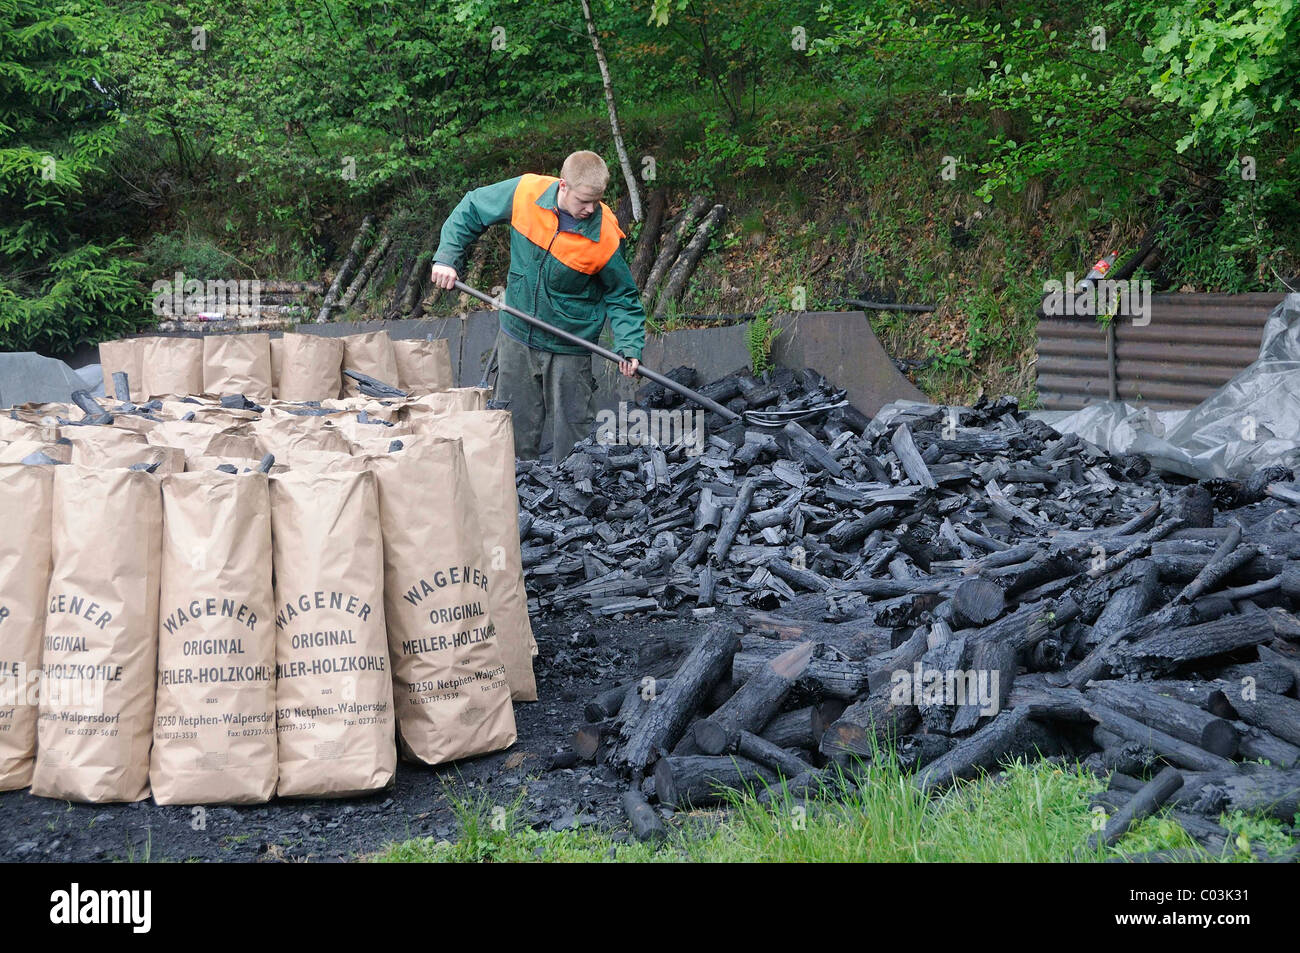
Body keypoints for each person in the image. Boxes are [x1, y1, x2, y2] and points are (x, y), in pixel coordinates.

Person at [430, 151, 645, 460]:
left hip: (570, 344)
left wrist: (628, 346)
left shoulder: (605, 236)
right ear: (563, 186)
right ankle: (511, 498)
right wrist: (447, 258)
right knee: (512, 433)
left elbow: (623, 296)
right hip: (517, 335)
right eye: (583, 200)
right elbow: (473, 207)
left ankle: (576, 501)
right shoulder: (525, 193)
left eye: (596, 201)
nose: (589, 209)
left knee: (576, 440)